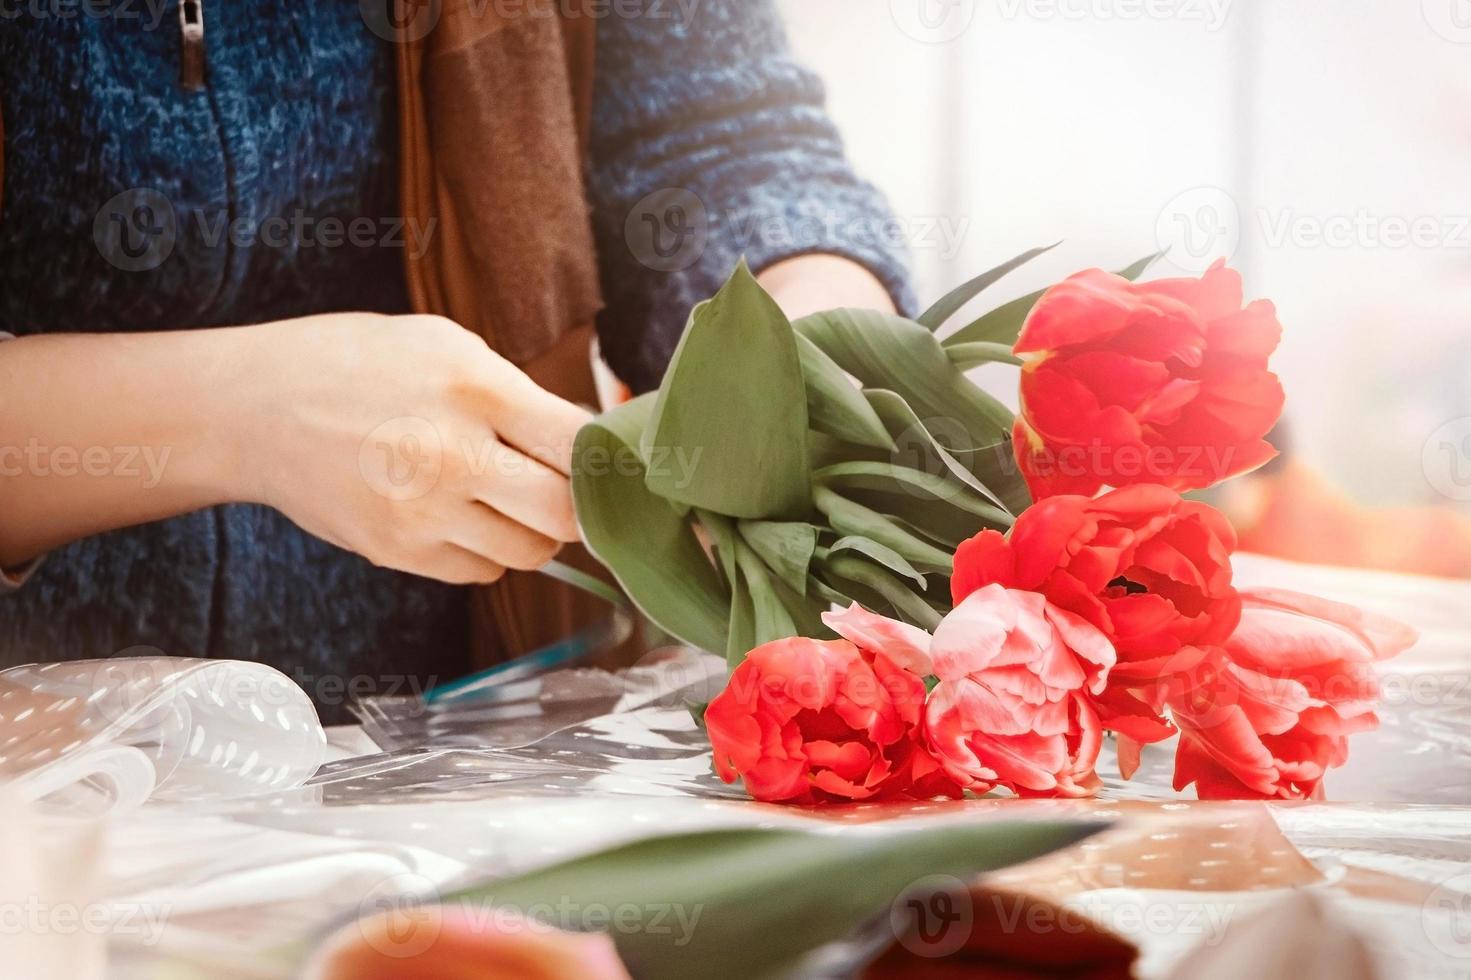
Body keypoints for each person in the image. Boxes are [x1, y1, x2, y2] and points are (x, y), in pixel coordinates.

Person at [0, 1, 911, 720]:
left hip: (487, 730)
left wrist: (807, 340)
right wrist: (246, 413)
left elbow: (722, 139)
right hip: (39, 813)